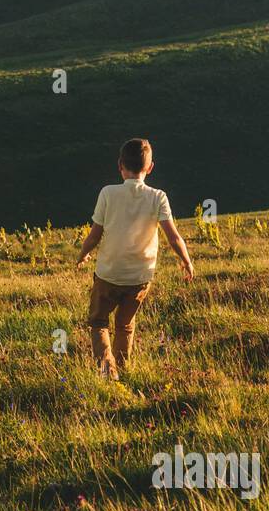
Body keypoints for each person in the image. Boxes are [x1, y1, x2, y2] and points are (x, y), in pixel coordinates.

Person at [75, 138, 194, 379]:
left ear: (120, 165)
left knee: (98, 321)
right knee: (125, 324)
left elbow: (94, 235)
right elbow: (173, 237)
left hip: (108, 273)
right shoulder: (158, 197)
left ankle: (107, 370)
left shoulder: (108, 193)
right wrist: (187, 261)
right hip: (140, 277)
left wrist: (83, 254)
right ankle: (123, 368)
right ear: (150, 168)